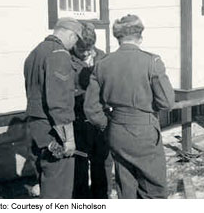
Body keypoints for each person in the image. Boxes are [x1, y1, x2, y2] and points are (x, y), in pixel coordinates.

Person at [84, 14, 175, 199]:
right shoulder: (152, 62)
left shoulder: (102, 64)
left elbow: (91, 108)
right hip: (144, 132)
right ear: (140, 36)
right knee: (153, 190)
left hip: (116, 131)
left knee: (126, 188)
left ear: (118, 38)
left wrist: (107, 125)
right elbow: (167, 102)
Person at [24, 17, 83, 199]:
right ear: (70, 34)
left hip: (36, 127)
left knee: (45, 180)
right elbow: (59, 102)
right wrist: (68, 138)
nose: (74, 45)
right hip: (53, 130)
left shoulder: (35, 52)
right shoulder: (59, 54)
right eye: (76, 39)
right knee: (59, 188)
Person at [71, 23, 113, 199]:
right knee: (79, 161)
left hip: (99, 118)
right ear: (73, 43)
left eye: (90, 49)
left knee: (102, 160)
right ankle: (81, 198)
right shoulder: (65, 59)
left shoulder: (103, 57)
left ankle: (102, 195)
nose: (87, 53)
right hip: (78, 119)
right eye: (82, 49)